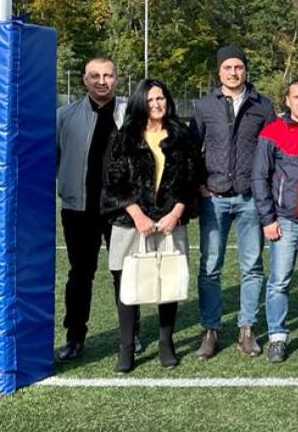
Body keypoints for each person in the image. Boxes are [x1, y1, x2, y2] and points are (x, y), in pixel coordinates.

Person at [101, 79, 200, 372]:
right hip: (131, 223)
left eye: (160, 98)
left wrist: (176, 212)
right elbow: (113, 182)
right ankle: (127, 347)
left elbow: (191, 180)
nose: (157, 104)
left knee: (167, 284)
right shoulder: (124, 137)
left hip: (170, 222)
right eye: (150, 99)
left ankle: (166, 344)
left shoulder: (182, 135)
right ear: (140, 103)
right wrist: (138, 215)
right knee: (128, 286)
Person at [190, 45, 276, 360]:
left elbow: (271, 153)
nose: (233, 72)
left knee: (252, 266)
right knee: (210, 266)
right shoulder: (204, 107)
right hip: (214, 198)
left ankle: (247, 328)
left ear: (245, 70)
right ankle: (211, 329)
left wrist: (264, 189)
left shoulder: (263, 107)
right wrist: (200, 185)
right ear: (219, 72)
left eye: (238, 67)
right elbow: (192, 149)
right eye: (228, 67)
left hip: (250, 198)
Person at [54, 56, 128, 362]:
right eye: (95, 76)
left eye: (108, 75)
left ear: (116, 78)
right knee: (80, 275)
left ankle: (130, 335)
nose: (102, 81)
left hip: (122, 210)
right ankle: (74, 337)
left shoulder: (130, 114)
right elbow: (52, 159)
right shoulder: (65, 116)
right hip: (79, 209)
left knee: (124, 274)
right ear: (84, 79)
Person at [252, 79, 298, 363]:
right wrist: (268, 218)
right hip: (285, 219)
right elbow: (260, 177)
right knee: (279, 281)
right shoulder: (273, 132)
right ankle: (277, 337)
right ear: (287, 100)